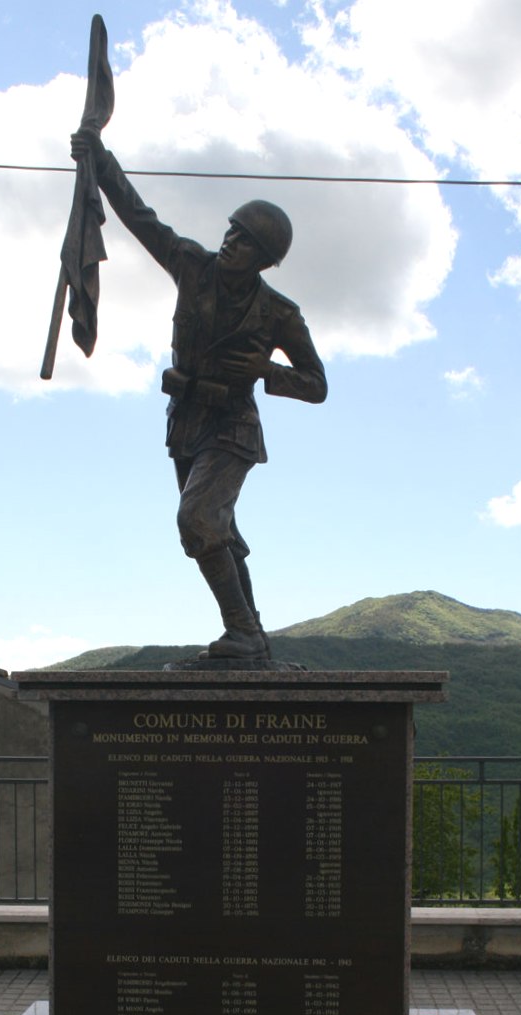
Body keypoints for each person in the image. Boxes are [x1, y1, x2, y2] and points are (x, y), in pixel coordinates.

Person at [71, 129, 327, 660]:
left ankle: (240, 629)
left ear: (263, 259)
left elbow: (317, 385)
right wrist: (100, 160)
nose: (231, 244)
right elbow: (141, 219)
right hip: (186, 422)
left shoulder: (280, 313)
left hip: (233, 427)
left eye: (245, 243)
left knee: (198, 521)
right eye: (232, 234)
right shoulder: (191, 265)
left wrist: (266, 370)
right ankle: (252, 638)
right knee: (218, 534)